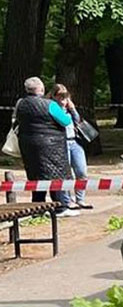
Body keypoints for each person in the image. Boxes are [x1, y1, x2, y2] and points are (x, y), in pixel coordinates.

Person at [13, 77, 78, 216]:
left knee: (35, 175)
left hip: (28, 144)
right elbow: (65, 121)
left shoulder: (20, 103)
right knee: (56, 175)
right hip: (51, 145)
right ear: (41, 89)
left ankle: (38, 208)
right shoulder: (50, 104)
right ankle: (60, 207)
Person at [53, 84, 92, 210]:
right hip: (61, 143)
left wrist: (72, 108)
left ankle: (80, 199)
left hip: (74, 141)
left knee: (82, 172)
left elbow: (78, 121)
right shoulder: (52, 108)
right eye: (60, 96)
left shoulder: (69, 109)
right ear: (54, 96)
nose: (63, 99)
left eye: (65, 96)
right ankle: (66, 200)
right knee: (64, 174)